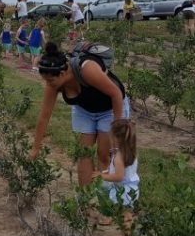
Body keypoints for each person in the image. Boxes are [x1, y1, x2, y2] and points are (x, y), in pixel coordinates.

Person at [30, 42, 130, 188]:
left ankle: (109, 200)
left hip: (110, 109)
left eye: (50, 80)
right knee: (84, 154)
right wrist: (35, 148)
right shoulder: (53, 83)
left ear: (63, 73)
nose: (48, 84)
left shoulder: (87, 69)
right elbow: (44, 117)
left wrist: (116, 129)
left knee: (104, 154)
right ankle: (85, 203)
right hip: (84, 111)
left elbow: (116, 93)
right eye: (45, 80)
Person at [99, 118, 140, 236]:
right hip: (131, 189)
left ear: (117, 138)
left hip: (123, 191)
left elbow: (119, 176)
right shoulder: (130, 153)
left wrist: (102, 176)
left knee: (125, 218)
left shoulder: (118, 157)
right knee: (127, 217)